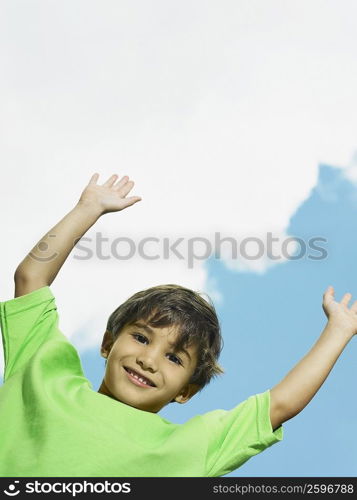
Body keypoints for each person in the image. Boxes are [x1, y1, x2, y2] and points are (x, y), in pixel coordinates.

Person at [0, 173, 355, 477]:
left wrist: (339, 330)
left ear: (186, 391)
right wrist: (87, 209)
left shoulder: (191, 445)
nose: (149, 360)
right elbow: (31, 278)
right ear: (107, 343)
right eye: (141, 337)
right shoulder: (47, 376)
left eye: (174, 358)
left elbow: (280, 405)